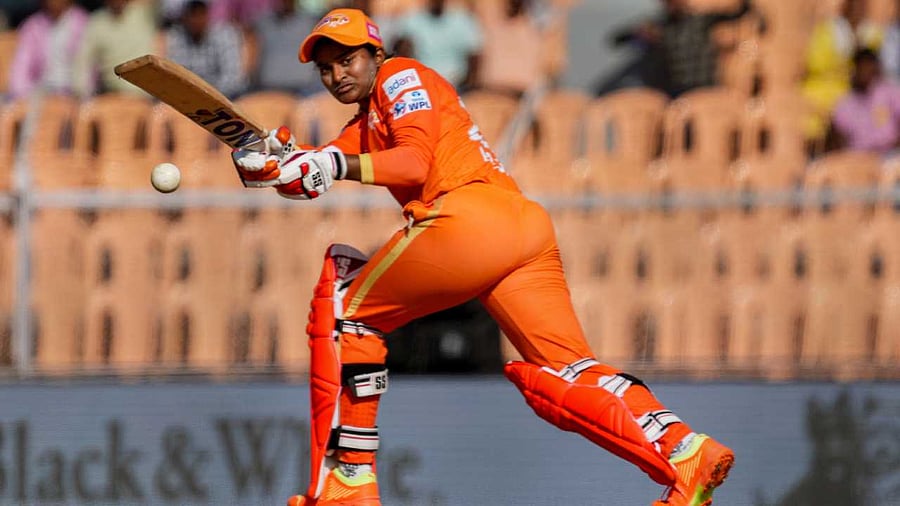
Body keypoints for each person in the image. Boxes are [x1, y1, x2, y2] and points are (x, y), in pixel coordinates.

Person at [230, 8, 735, 506]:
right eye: (325, 68)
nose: (336, 75)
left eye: (347, 60)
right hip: (521, 227)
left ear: (376, 53)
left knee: (344, 311)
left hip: (468, 219)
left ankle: (346, 483)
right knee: (566, 373)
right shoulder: (367, 121)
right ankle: (685, 453)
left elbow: (411, 160)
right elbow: (318, 172)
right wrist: (273, 165)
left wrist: (327, 162)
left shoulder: (401, 75)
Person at [603, 0, 752, 97]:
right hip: (676, 90)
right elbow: (617, 39)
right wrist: (640, 36)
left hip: (705, 87)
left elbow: (739, 13)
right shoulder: (658, 26)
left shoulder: (701, 20)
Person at [802, 0, 883, 146]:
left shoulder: (872, 32)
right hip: (826, 91)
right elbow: (815, 63)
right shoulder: (828, 30)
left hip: (860, 95)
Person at [391, 0, 483, 92]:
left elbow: (474, 54)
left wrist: (469, 83)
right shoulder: (411, 21)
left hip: (457, 84)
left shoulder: (462, 21)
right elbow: (401, 51)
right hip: (421, 83)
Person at [72, 0, 156, 97]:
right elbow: (82, 62)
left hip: (146, 96)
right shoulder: (97, 22)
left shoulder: (145, 13)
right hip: (112, 95)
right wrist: (82, 96)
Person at [165, 0, 247, 99]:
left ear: (208, 14)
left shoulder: (224, 35)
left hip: (223, 98)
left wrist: (206, 94)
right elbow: (174, 74)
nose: (196, 19)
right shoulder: (177, 36)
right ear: (185, 17)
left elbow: (232, 79)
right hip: (189, 98)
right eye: (192, 14)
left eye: (201, 13)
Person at [8, 0, 88, 100]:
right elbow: (20, 72)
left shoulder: (85, 23)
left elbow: (89, 71)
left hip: (76, 96)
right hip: (41, 95)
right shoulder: (32, 26)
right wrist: (27, 97)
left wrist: (78, 94)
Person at [831, 48, 900, 155]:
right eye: (861, 67)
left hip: (891, 154)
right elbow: (839, 139)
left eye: (868, 66)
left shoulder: (890, 92)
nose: (864, 71)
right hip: (860, 158)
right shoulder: (846, 102)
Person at [250, 0, 320, 95]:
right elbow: (253, 52)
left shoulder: (311, 22)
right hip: (269, 87)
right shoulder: (262, 23)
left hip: (303, 87)